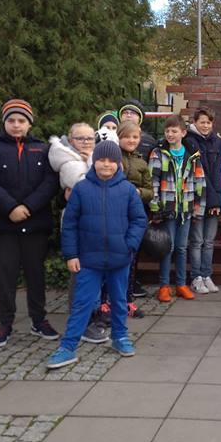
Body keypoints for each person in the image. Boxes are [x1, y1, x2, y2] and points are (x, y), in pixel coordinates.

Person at [47, 140, 147, 369]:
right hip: (88, 260)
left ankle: (120, 338)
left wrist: (129, 245)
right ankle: (68, 347)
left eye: (112, 160)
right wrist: (71, 255)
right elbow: (69, 224)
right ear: (94, 161)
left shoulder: (127, 190)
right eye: (102, 159)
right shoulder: (82, 189)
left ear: (118, 163)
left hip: (119, 258)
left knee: (120, 301)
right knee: (82, 303)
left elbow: (139, 220)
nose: (106, 164)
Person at [0, 100, 60, 349]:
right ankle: (5, 322)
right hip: (5, 225)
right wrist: (11, 208)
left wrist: (29, 207)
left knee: (36, 275)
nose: (16, 125)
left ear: (29, 123)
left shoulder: (42, 149)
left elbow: (50, 181)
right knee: (6, 276)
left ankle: (39, 319)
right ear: (4, 123)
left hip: (35, 223)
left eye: (21, 121)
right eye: (11, 120)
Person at [48, 123, 109, 343]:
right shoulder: (67, 160)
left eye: (89, 138)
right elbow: (88, 185)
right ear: (70, 140)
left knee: (95, 272)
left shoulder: (94, 158)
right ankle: (81, 322)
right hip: (80, 225)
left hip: (99, 223)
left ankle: (93, 316)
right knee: (81, 274)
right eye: (80, 138)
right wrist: (92, 162)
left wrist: (91, 161)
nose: (85, 143)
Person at [149, 114, 205, 302]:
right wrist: (155, 206)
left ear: (183, 132)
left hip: (186, 209)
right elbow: (153, 181)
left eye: (174, 131)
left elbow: (200, 182)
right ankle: (164, 285)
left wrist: (199, 208)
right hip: (168, 210)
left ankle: (181, 284)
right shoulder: (159, 153)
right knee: (168, 247)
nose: (170, 134)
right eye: (167, 131)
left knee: (182, 248)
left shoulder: (192, 155)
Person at [187, 108, 221, 294]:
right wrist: (212, 199)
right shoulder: (189, 141)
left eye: (208, 122)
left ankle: (207, 275)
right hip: (197, 199)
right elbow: (200, 174)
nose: (205, 125)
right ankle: (196, 277)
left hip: (214, 200)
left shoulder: (218, 142)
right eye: (202, 122)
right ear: (195, 122)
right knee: (197, 240)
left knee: (208, 241)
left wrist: (217, 200)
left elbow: (217, 172)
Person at [118, 119, 154, 306]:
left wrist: (140, 192)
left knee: (132, 258)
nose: (131, 140)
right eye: (126, 136)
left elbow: (150, 190)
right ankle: (109, 300)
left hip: (134, 213)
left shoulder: (141, 162)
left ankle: (127, 298)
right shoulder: (114, 157)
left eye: (135, 137)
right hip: (116, 215)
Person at [119, 98, 157, 163]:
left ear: (140, 118)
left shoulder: (149, 142)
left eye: (133, 113)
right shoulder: (112, 138)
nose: (128, 115)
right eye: (125, 113)